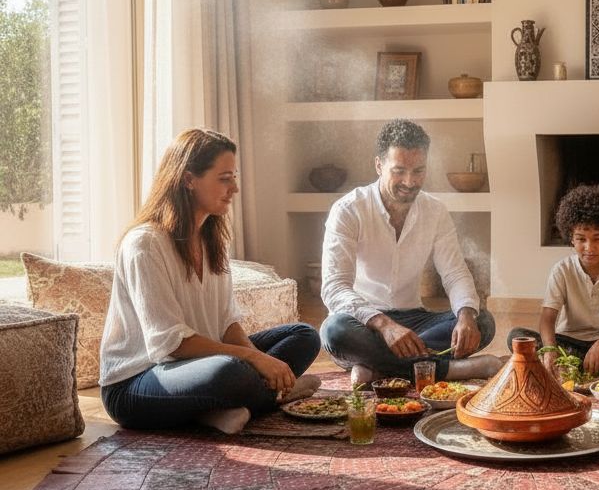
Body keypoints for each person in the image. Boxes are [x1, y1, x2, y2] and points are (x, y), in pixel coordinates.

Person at [99, 129, 322, 434]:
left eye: (234, 177)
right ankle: (274, 397)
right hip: (137, 382)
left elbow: (227, 324)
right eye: (225, 178)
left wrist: (259, 361)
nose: (235, 188)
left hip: (198, 364)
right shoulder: (145, 244)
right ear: (189, 179)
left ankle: (220, 410)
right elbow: (171, 344)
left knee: (304, 336)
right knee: (229, 371)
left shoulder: (212, 241)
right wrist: (254, 360)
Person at [319, 118, 500, 385]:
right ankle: (451, 370)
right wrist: (385, 325)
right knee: (334, 331)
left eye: (418, 171)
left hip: (416, 321)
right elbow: (334, 288)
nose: (410, 181)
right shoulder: (348, 210)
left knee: (482, 320)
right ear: (379, 165)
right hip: (364, 322)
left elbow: (455, 274)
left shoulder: (435, 211)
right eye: (399, 171)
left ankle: (378, 368)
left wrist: (465, 316)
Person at [509, 183, 599, 376]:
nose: (589, 247)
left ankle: (573, 366)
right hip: (567, 343)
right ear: (571, 238)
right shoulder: (562, 270)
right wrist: (551, 349)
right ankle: (593, 367)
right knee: (517, 337)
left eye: (598, 239)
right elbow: (547, 319)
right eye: (581, 239)